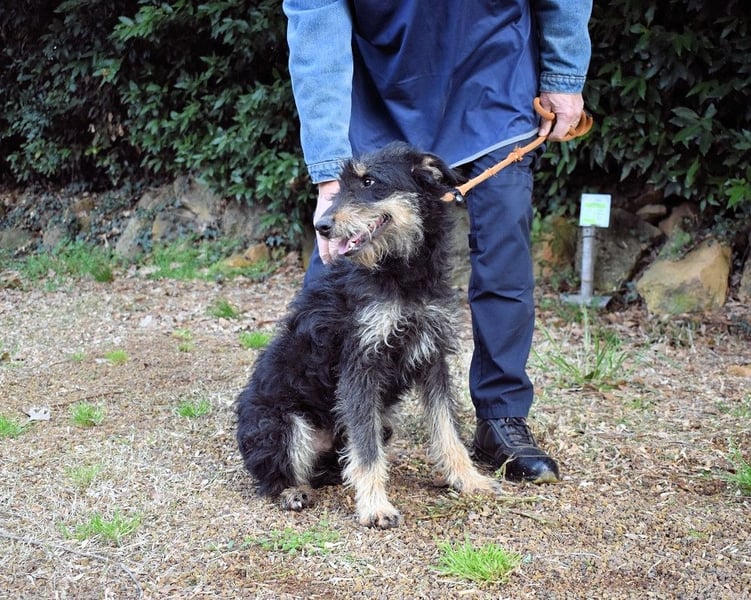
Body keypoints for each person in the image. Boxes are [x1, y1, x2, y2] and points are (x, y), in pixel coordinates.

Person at [282, 0, 592, 483]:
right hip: (381, 97)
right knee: (339, 260)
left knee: (505, 257)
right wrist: (328, 172)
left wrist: (564, 74)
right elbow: (315, 17)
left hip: (496, 83)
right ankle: (309, 413)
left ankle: (501, 417)